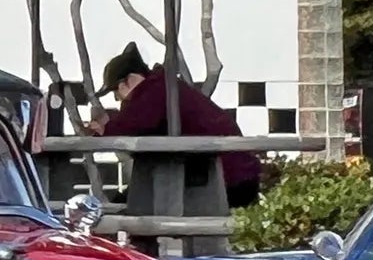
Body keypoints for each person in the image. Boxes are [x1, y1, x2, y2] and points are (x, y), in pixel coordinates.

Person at [97, 42, 260, 205]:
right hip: (228, 175)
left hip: (223, 180)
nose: (118, 99)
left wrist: (104, 129)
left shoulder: (153, 92)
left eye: (116, 92)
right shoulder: (163, 87)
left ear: (129, 80)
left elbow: (131, 126)